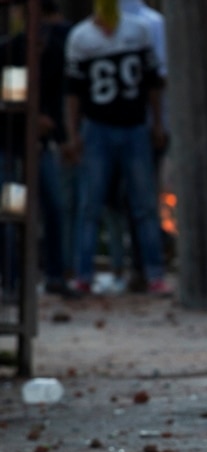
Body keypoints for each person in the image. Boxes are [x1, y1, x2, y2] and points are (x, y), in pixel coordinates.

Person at [64, 0, 170, 296]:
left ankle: (154, 272)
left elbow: (152, 83)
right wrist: (75, 134)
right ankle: (84, 274)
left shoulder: (138, 31)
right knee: (91, 205)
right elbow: (73, 92)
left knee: (144, 205)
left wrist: (157, 123)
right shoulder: (81, 37)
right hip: (98, 126)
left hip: (134, 125)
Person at [0, 0, 75, 299]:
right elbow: (12, 100)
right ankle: (11, 281)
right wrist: (34, 117)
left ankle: (55, 275)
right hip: (12, 147)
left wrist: (56, 129)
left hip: (39, 146)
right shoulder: (11, 52)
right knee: (12, 211)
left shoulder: (55, 53)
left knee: (53, 208)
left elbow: (58, 100)